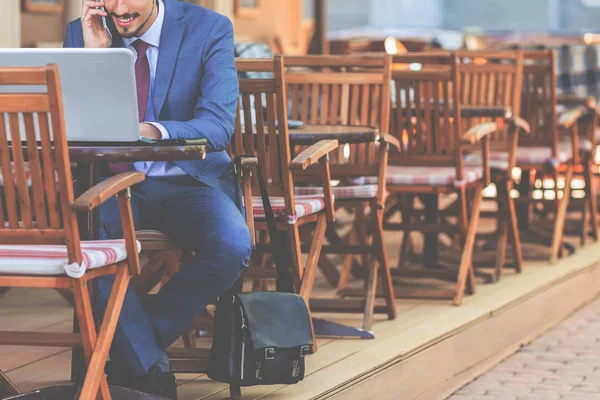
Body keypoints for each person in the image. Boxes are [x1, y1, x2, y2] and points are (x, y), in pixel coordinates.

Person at [63, 0, 252, 398]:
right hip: (111, 186)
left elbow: (217, 126)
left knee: (233, 244)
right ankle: (149, 368)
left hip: (188, 182)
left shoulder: (209, 28)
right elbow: (70, 129)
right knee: (81, 248)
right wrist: (94, 59)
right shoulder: (84, 33)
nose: (116, 8)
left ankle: (131, 343)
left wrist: (146, 131)